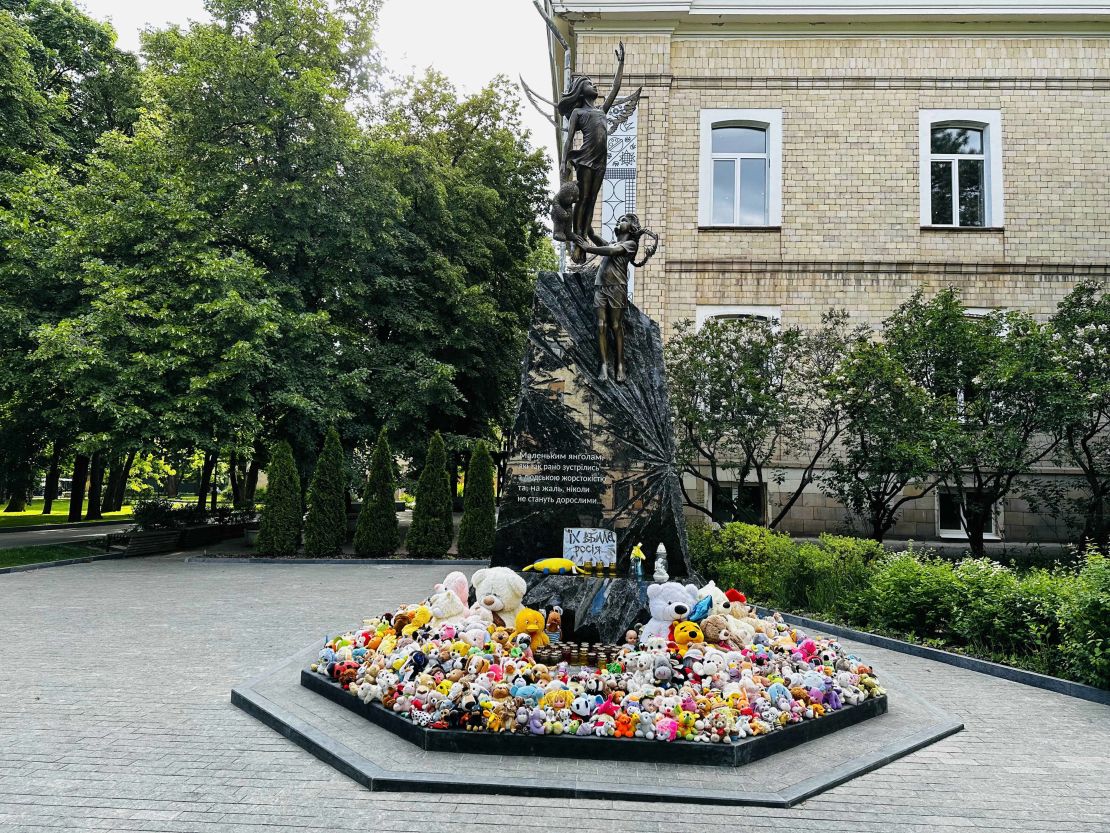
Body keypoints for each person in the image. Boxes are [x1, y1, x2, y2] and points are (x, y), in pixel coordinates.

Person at [558, 42, 626, 263]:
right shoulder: (578, 112)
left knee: (593, 199)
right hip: (586, 160)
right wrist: (563, 163)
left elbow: (615, 90)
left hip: (600, 162)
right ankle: (579, 241)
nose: (594, 86)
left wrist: (621, 64)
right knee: (583, 198)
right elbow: (568, 140)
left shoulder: (601, 111)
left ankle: (585, 235)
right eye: (589, 83)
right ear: (580, 90)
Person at [573, 213, 654, 383]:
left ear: (632, 228)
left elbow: (611, 251)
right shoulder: (611, 242)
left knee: (616, 325)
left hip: (617, 288)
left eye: (623, 220)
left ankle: (620, 364)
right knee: (601, 325)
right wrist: (584, 217)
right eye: (618, 220)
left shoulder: (630, 244)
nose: (619, 222)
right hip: (600, 287)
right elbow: (593, 235)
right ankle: (603, 364)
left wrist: (587, 248)